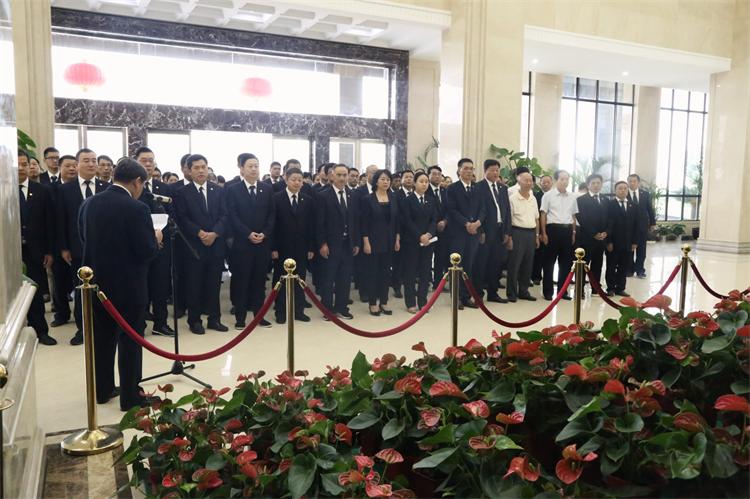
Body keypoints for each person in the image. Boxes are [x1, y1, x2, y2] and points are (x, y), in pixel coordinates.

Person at [80, 158, 161, 411]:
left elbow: (83, 237)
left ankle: (103, 390)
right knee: (130, 339)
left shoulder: (89, 203)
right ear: (137, 181)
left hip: (96, 284)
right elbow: (145, 250)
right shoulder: (136, 208)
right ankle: (130, 396)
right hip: (128, 285)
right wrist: (156, 239)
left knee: (103, 338)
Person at [56, 147, 109, 345]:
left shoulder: (107, 187)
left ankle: (102, 325)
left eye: (94, 160)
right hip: (76, 248)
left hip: (104, 248)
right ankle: (82, 329)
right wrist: (64, 247)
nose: (91, 164)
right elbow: (60, 220)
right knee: (80, 290)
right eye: (86, 160)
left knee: (103, 288)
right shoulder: (64, 189)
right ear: (77, 164)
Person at [174, 154, 229, 334]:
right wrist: (199, 232)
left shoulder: (218, 190)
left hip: (215, 245)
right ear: (189, 171)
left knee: (214, 285)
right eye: (196, 168)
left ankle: (214, 319)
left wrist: (215, 233)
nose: (200, 171)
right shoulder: (182, 192)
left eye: (203, 167)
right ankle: (194, 320)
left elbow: (225, 215)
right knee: (194, 285)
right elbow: (181, 218)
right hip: (193, 247)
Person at [225, 153, 275, 329]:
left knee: (259, 282)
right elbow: (232, 215)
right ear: (242, 169)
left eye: (256, 166)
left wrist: (264, 233)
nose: (254, 169)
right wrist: (248, 233)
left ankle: (259, 316)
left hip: (262, 244)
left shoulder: (267, 189)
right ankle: (240, 318)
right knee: (241, 281)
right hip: (242, 244)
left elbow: (272, 215)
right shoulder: (233, 189)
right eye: (250, 166)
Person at [135, 146, 175, 337]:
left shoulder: (163, 188)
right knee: (141, 287)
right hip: (140, 246)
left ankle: (161, 323)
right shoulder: (132, 188)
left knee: (160, 287)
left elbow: (172, 214)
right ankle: (139, 323)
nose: (148, 164)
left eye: (151, 160)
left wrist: (161, 236)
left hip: (162, 246)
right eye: (144, 160)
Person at [17, 150, 56, 345]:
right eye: (16, 164)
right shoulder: (3, 188)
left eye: (24, 164)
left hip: (35, 251)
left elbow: (49, 222)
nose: (20, 168)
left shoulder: (42, 191)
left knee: (35, 292)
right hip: (9, 252)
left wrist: (49, 251)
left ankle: (41, 331)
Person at [316, 164, 360, 320]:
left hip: (348, 243)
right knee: (329, 278)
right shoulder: (323, 196)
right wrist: (322, 244)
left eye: (345, 175)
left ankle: (342, 307)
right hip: (330, 244)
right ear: (332, 176)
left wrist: (356, 242)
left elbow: (355, 221)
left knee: (345, 278)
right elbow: (319, 223)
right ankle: (327, 309)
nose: (342, 178)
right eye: (339, 175)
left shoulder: (352, 195)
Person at [270, 167, 314, 323]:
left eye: (299, 180)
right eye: (293, 179)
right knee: (280, 280)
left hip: (301, 247)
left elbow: (311, 226)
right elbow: (272, 225)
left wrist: (310, 247)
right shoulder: (276, 198)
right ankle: (280, 311)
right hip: (282, 247)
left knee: (300, 279)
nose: (297, 183)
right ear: (286, 180)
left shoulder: (307, 200)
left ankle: (299, 310)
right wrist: (273, 248)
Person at [445, 158, 485, 309]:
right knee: (457, 265)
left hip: (474, 232)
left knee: (469, 265)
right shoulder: (452, 188)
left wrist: (477, 223)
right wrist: (466, 223)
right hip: (458, 233)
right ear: (459, 170)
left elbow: (483, 209)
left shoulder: (477, 188)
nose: (469, 171)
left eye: (471, 168)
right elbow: (451, 210)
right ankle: (456, 298)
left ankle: (466, 296)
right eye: (465, 168)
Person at [361, 169, 399, 316]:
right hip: (373, 241)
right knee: (373, 273)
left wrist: (397, 239)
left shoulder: (393, 197)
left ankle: (384, 301)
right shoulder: (368, 199)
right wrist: (366, 242)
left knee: (385, 273)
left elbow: (397, 221)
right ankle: (372, 303)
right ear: (376, 181)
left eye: (388, 179)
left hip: (389, 241)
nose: (386, 182)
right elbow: (364, 223)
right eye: (382, 179)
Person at [473, 159, 511, 303]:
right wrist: (480, 230)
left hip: (500, 231)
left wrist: (507, 232)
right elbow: (477, 211)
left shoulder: (503, 188)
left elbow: (507, 211)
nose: (495, 173)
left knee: (496, 264)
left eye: (497, 170)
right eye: (492, 170)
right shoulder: (478, 187)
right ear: (485, 171)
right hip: (486, 231)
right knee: (481, 263)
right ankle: (478, 294)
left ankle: (493, 293)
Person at [401, 171, 437, 313]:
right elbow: (407, 221)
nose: (424, 184)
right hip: (411, 242)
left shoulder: (431, 200)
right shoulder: (408, 200)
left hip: (428, 242)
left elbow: (434, 219)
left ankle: (423, 301)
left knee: (425, 272)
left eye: (426, 182)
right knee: (410, 272)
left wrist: (428, 234)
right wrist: (419, 236)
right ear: (415, 183)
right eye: (421, 181)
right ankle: (410, 302)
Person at [49, 155, 78, 329]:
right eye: (68, 166)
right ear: (60, 168)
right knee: (59, 280)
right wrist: (62, 246)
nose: (72, 168)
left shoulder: (80, 188)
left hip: (77, 242)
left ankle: (81, 314)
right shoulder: (52, 189)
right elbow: (56, 219)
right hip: (58, 241)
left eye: (74, 165)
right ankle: (61, 313)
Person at [539, 170, 577, 301]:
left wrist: (573, 232)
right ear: (556, 180)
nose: (565, 182)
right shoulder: (548, 195)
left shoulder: (572, 197)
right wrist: (543, 233)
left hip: (567, 231)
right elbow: (543, 214)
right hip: (552, 230)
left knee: (566, 263)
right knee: (549, 262)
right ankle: (548, 291)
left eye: (567, 179)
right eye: (562, 179)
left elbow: (573, 216)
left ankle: (563, 291)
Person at [506, 172, 540, 302]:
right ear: (519, 181)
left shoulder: (533, 198)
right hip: (517, 232)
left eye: (531, 180)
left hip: (531, 233)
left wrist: (537, 236)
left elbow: (536, 218)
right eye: (526, 180)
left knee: (528, 264)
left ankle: (524, 291)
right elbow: (509, 220)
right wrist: (509, 237)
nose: (529, 183)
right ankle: (511, 293)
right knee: (514, 264)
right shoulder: (513, 198)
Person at [575, 174, 609, 288]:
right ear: (588, 185)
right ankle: (579, 289)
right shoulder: (581, 200)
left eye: (598, 183)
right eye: (593, 183)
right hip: (587, 238)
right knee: (583, 264)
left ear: (601, 184)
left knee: (597, 264)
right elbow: (581, 218)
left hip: (602, 238)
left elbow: (610, 218)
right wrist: (594, 233)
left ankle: (595, 288)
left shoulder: (605, 200)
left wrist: (606, 232)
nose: (596, 185)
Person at [605, 181, 638, 296]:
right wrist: (608, 241)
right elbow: (607, 224)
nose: (623, 190)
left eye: (625, 188)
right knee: (611, 266)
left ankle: (620, 288)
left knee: (624, 267)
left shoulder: (633, 205)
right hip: (613, 242)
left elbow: (636, 225)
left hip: (628, 242)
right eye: (620, 188)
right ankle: (610, 288)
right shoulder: (610, 205)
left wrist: (635, 242)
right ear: (615, 191)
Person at [352, 164, 378, 303]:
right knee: (364, 265)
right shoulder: (359, 192)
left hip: (378, 234)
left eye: (377, 172)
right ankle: (364, 291)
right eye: (372, 172)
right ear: (367, 174)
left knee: (376, 265)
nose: (375, 175)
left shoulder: (382, 191)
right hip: (363, 232)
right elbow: (356, 215)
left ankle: (375, 290)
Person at [627, 174, 656, 279]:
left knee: (641, 249)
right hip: (629, 227)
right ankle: (629, 270)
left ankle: (640, 270)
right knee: (629, 249)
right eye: (630, 181)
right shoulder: (625, 193)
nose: (632, 183)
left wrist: (652, 223)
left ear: (638, 182)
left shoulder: (645, 194)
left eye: (634, 181)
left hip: (642, 226)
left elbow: (650, 209)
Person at [425, 165, 448, 290]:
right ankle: (426, 281)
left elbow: (449, 209)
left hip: (443, 230)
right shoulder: (425, 190)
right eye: (434, 174)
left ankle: (438, 283)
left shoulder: (445, 191)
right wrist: (434, 224)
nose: (437, 176)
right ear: (428, 176)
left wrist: (444, 221)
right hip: (429, 230)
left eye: (439, 174)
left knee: (441, 257)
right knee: (427, 258)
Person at [532, 174, 554, 284]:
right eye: (543, 182)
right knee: (539, 255)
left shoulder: (554, 196)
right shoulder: (536, 196)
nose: (545, 184)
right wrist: (539, 233)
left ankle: (548, 278)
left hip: (552, 229)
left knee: (550, 256)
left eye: (548, 182)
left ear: (552, 183)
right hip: (540, 230)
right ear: (540, 183)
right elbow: (536, 215)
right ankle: (536, 276)